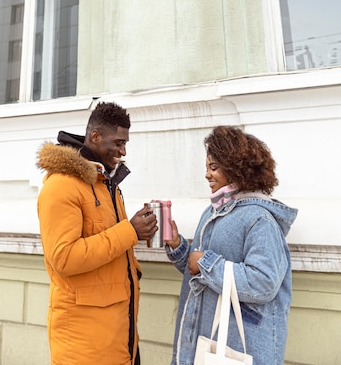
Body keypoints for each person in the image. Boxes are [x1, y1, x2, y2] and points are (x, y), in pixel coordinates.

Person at [37, 101, 157, 365]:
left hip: (118, 339)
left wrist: (140, 231)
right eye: (118, 142)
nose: (123, 151)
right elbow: (65, 258)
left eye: (125, 143)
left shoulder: (106, 183)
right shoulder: (60, 186)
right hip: (84, 349)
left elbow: (110, 249)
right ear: (95, 136)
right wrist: (130, 231)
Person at [165, 125, 298, 365]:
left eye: (214, 168)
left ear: (237, 169)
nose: (207, 175)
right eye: (207, 168)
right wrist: (178, 246)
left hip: (239, 345)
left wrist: (206, 263)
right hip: (205, 338)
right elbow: (199, 272)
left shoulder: (260, 219)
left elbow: (264, 283)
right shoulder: (213, 212)